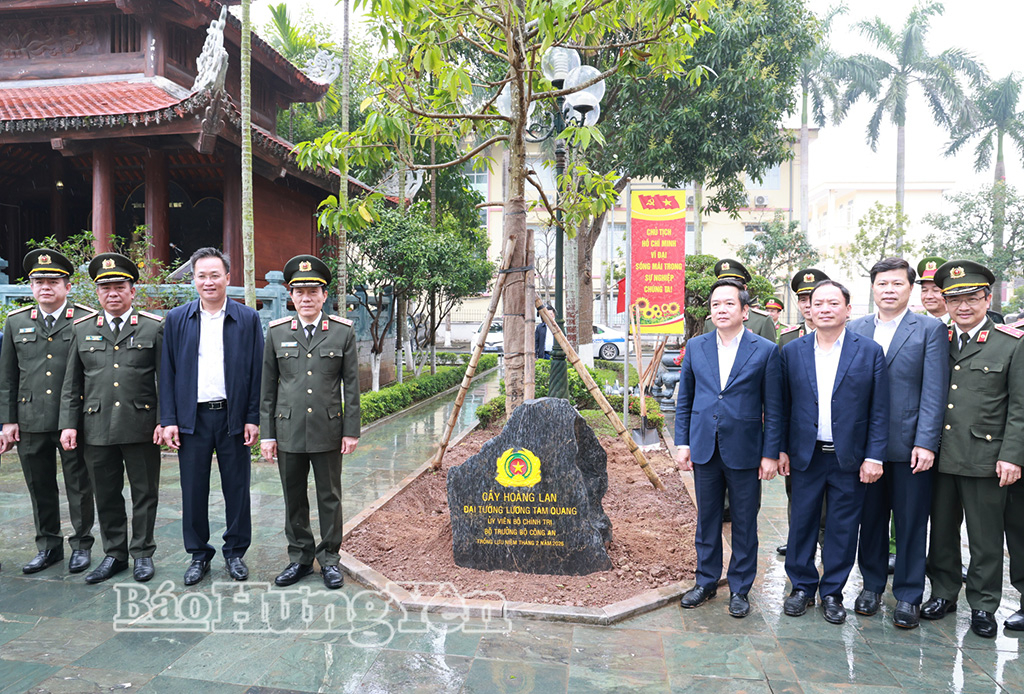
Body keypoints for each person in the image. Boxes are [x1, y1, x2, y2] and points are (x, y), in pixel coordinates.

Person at [922, 259, 1024, 638]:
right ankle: (944, 593)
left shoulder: (1010, 344)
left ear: (987, 298)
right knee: (943, 533)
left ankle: (983, 605)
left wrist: (1012, 454)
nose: (963, 307)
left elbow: (1019, 407)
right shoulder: (938, 340)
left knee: (985, 538)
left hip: (986, 458)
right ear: (944, 303)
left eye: (972, 298)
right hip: (940, 455)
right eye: (954, 299)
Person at [779, 280, 889, 625]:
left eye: (832, 303)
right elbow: (782, 406)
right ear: (808, 310)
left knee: (842, 527)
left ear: (847, 309)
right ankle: (800, 587)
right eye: (817, 303)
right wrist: (780, 449)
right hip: (805, 455)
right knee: (802, 523)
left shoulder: (868, 351)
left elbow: (879, 409)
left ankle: (832, 592)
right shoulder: (792, 351)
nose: (824, 309)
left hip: (849, 458)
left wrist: (874, 456)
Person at [848, 258, 948, 629]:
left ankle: (907, 594)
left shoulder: (929, 329)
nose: (888, 290)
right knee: (870, 521)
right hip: (865, 450)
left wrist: (926, 442)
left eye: (897, 284)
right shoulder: (855, 328)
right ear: (872, 288)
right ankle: (872, 587)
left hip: (910, 448)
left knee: (910, 524)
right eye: (882, 284)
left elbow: (934, 391)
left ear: (910, 289)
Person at [675, 279, 783, 618]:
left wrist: (769, 453)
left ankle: (740, 588)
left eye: (729, 304)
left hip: (745, 449)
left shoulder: (764, 350)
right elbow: (685, 400)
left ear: (745, 311)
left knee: (744, 522)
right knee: (707, 520)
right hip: (705, 447)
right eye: (716, 304)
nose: (721, 310)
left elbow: (775, 407)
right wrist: (683, 442)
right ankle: (706, 581)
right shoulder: (696, 347)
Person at [160, 248, 264, 586]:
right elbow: (168, 372)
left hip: (232, 416)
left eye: (214, 275)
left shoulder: (247, 318)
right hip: (193, 418)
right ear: (193, 279)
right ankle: (198, 554)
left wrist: (252, 417)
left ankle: (235, 552)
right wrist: (169, 419)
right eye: (201, 276)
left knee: (237, 487)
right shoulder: (177, 319)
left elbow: (256, 372)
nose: (208, 282)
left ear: (227, 278)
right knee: (193, 489)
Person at [60, 253, 164, 584]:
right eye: (105, 289)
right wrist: (68, 424)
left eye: (120, 287)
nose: (113, 294)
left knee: (144, 492)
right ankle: (115, 553)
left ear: (133, 291)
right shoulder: (82, 328)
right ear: (97, 293)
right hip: (96, 426)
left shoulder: (153, 327)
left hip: (141, 425)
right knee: (105, 492)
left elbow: (167, 381)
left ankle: (143, 553)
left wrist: (164, 420)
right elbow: (71, 383)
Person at [260, 255, 360, 590]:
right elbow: (268, 389)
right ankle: (300, 558)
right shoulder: (275, 334)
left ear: (324, 294)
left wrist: (351, 430)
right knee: (293, 496)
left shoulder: (342, 332)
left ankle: (330, 558)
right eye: (299, 291)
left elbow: (352, 385)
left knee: (329, 495)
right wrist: (267, 435)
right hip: (288, 429)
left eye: (312, 291)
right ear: (291, 295)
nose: (306, 298)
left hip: (328, 429)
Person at [0, 249, 96, 575]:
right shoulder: (16, 322)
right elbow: (8, 377)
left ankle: (81, 545)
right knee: (39, 484)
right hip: (30, 418)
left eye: (53, 281)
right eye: (39, 281)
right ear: (30, 286)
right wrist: (8, 420)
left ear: (67, 286)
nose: (45, 287)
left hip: (73, 419)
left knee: (79, 484)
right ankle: (48, 546)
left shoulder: (84, 320)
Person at [776, 267, 829, 556]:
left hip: (831, 431)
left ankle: (824, 538)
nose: (810, 305)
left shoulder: (845, 335)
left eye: (815, 298)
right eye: (804, 299)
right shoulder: (788, 339)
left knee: (828, 498)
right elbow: (781, 393)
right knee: (795, 490)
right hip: (799, 432)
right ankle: (798, 537)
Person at [703, 259, 777, 342]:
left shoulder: (762, 321)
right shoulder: (710, 322)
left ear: (744, 288)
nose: (727, 289)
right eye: (722, 285)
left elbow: (768, 352)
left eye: (733, 285)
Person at [917, 256, 949, 324]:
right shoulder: (913, 323)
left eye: (935, 290)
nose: (928, 296)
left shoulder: (961, 324)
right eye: (924, 290)